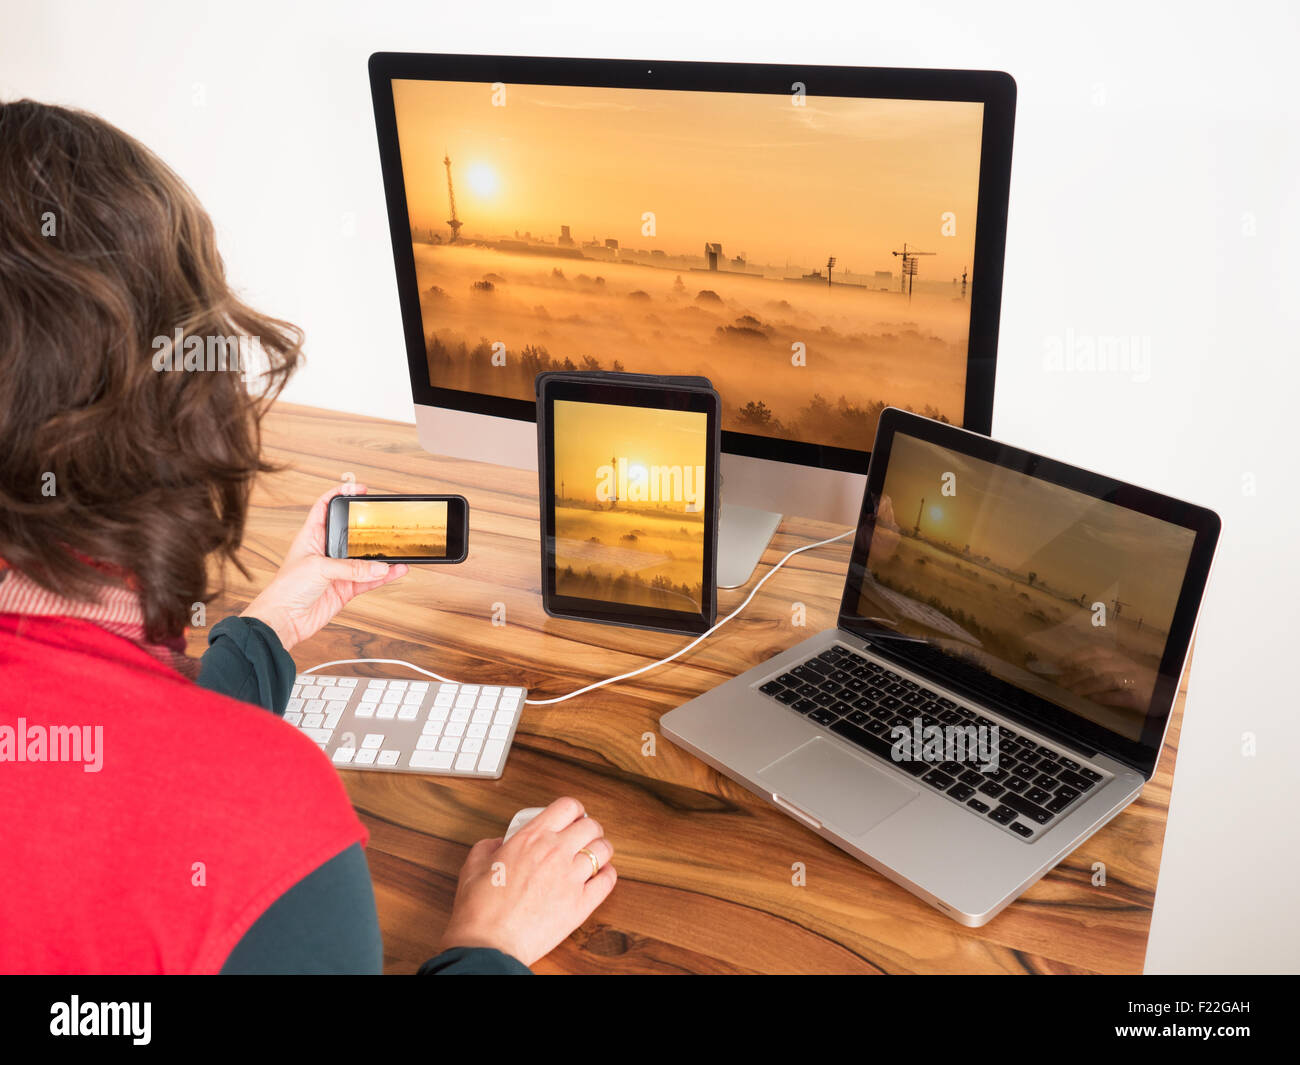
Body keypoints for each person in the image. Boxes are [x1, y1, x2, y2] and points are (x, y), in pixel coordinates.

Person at [0, 100, 615, 974]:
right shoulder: (274, 832)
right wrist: (489, 943)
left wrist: (264, 630)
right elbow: (174, 803)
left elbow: (110, 764)